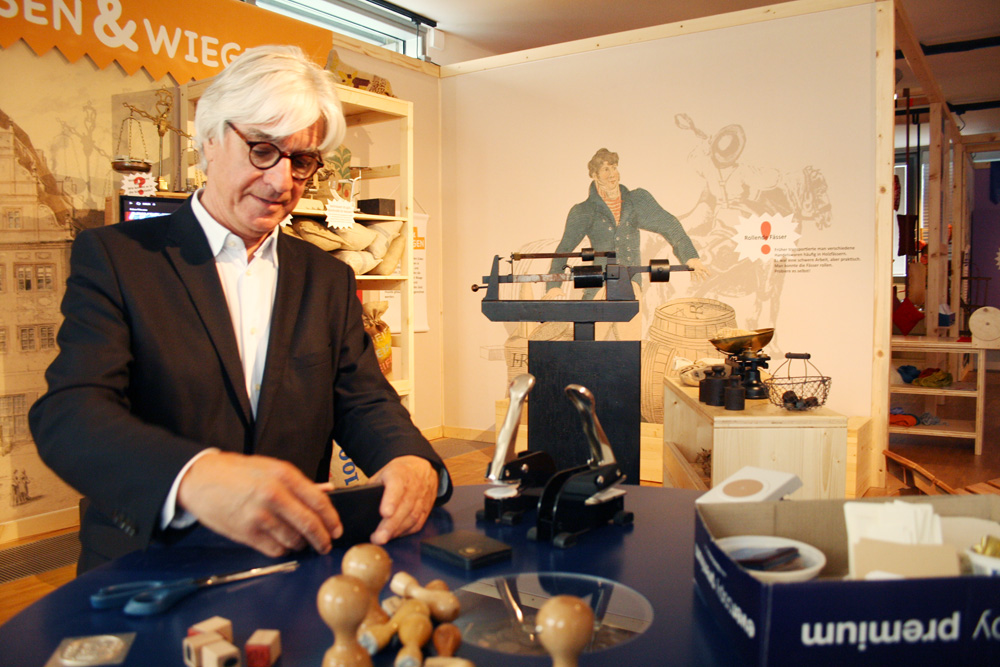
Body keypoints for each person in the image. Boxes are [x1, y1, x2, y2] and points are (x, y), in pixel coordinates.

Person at [28, 45, 451, 573]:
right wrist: (194, 476)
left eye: (301, 161)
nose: (281, 182)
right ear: (209, 139)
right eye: (262, 150)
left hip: (294, 565)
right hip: (152, 568)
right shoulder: (119, 260)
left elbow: (362, 399)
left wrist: (410, 459)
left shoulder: (327, 279)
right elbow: (70, 415)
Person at [547, 148, 708, 296]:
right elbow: (565, 248)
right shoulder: (584, 211)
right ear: (595, 175)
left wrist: (690, 257)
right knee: (594, 325)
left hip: (630, 283)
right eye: (605, 169)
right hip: (599, 285)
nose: (612, 174)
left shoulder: (636, 201)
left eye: (614, 168)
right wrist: (554, 286)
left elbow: (669, 224)